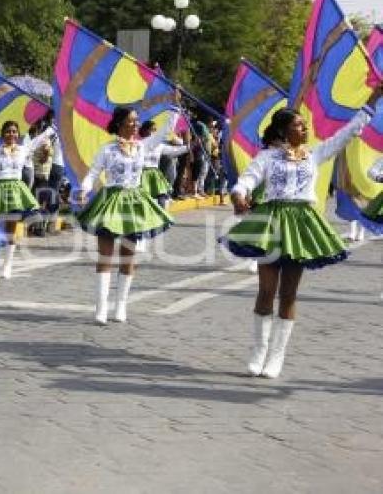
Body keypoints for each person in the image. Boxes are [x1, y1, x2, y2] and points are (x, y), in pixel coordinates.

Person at [225, 105, 374, 378]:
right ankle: (259, 351)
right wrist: (238, 196)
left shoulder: (315, 154)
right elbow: (246, 180)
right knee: (266, 290)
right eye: (298, 125)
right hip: (270, 223)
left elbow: (349, 132)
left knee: (289, 293)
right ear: (283, 130)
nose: (304, 128)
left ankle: (277, 356)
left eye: (305, 125)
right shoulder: (268, 157)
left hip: (301, 225)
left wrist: (372, 102)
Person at [76, 106, 178, 324]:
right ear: (120, 123)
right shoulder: (107, 149)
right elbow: (94, 172)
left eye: (137, 121)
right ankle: (101, 307)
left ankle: (120, 305)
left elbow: (164, 132)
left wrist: (174, 108)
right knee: (105, 255)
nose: (136, 124)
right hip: (110, 201)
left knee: (128, 256)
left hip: (133, 202)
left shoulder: (142, 146)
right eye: (132, 121)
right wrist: (84, 190)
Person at [0, 120, 55, 279]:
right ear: (2, 134)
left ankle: (7, 265)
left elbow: (40, 144)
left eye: (14, 131)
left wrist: (47, 146)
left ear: (18, 134)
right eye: (8, 131)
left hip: (15, 192)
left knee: (11, 228)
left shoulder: (23, 149)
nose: (12, 134)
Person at [139, 118, 189, 209]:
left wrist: (188, 147)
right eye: (153, 129)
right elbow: (166, 131)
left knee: (162, 197)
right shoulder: (140, 144)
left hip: (155, 174)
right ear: (145, 130)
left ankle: (162, 219)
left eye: (155, 130)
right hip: (142, 175)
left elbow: (173, 151)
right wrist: (174, 112)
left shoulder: (159, 145)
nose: (155, 132)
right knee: (146, 200)